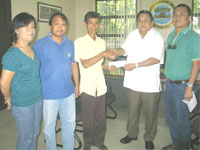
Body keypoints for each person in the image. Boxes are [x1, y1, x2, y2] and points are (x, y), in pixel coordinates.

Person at [111, 10, 164, 150]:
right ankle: (132, 133)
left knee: (150, 113)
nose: (143, 23)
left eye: (146, 20)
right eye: (140, 20)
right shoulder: (133, 34)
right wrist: (116, 52)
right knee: (132, 111)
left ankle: (149, 138)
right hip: (132, 82)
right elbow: (124, 49)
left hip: (150, 84)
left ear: (152, 22)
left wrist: (135, 65)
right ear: (137, 22)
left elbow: (156, 59)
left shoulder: (157, 37)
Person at [33, 12, 79, 150]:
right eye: (57, 24)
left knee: (70, 124)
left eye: (63, 24)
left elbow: (74, 65)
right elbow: (34, 67)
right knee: (49, 127)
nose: (60, 27)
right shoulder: (40, 44)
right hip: (48, 94)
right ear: (50, 27)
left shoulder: (70, 43)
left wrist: (77, 85)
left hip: (68, 92)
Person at [0, 12, 43, 150]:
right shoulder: (13, 54)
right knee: (26, 138)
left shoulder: (31, 49)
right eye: (26, 26)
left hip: (37, 99)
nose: (31, 30)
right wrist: (8, 98)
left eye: (33, 26)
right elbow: (3, 83)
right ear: (16, 30)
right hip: (23, 103)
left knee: (35, 134)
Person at [74, 11, 114, 150]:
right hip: (87, 86)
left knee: (100, 117)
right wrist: (103, 54)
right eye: (90, 23)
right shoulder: (79, 42)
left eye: (96, 23)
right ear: (85, 24)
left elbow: (97, 64)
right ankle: (88, 144)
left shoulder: (102, 42)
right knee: (88, 118)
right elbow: (84, 63)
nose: (94, 26)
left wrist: (107, 67)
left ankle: (98, 141)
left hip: (100, 85)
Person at [163, 4, 200, 150]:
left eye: (182, 14)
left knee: (182, 121)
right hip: (170, 84)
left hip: (183, 86)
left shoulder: (194, 38)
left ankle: (182, 147)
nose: (177, 17)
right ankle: (176, 143)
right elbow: (170, 61)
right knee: (171, 119)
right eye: (175, 14)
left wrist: (189, 87)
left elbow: (196, 64)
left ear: (189, 18)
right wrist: (167, 80)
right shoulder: (171, 35)